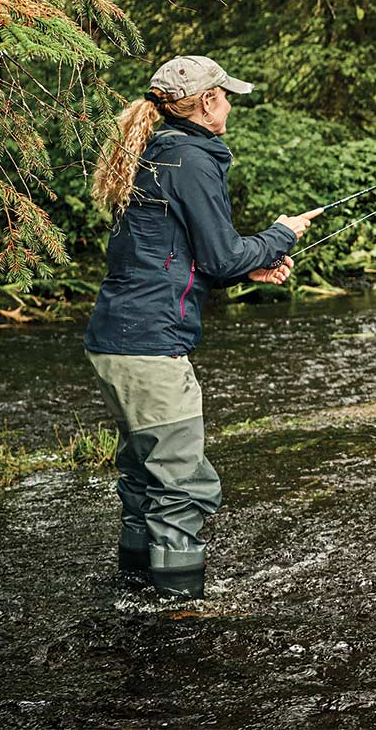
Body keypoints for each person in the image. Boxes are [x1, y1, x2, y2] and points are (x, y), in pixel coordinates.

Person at [84, 56, 322, 599]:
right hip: (150, 345)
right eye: (226, 95)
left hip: (117, 340)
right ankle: (176, 611)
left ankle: (136, 594)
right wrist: (280, 235)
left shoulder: (156, 152)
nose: (231, 103)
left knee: (145, 477)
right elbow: (219, 255)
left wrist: (250, 265)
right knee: (182, 484)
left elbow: (174, 257)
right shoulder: (189, 158)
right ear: (208, 102)